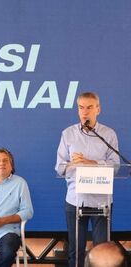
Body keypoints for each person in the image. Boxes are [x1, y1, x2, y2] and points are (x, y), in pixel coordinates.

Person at [55, 92, 120, 267]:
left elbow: (115, 166)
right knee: (75, 250)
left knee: (102, 250)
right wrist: (71, 163)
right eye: (81, 107)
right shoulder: (68, 134)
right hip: (75, 199)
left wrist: (90, 163)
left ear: (98, 109)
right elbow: (59, 168)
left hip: (101, 200)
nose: (85, 112)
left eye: (89, 107)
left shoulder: (108, 134)